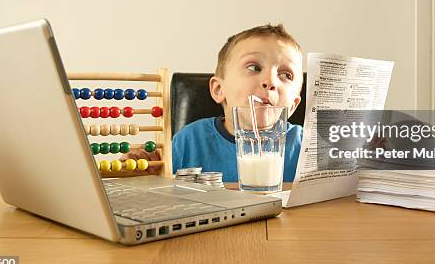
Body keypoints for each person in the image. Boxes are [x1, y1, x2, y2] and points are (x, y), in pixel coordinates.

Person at [125, 24, 304, 182]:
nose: (270, 81)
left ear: (293, 105)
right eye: (253, 67)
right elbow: (158, 193)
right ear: (219, 90)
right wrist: (147, 171)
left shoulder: (307, 146)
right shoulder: (189, 141)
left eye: (286, 75)